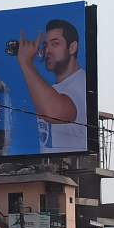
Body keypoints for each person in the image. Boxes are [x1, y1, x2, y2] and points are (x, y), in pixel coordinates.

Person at [15, 19, 87, 153]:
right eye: (45, 45)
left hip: (71, 170)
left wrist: (26, 63)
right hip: (50, 169)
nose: (47, 50)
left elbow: (54, 113)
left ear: (72, 47)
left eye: (55, 44)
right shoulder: (54, 89)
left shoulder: (82, 82)